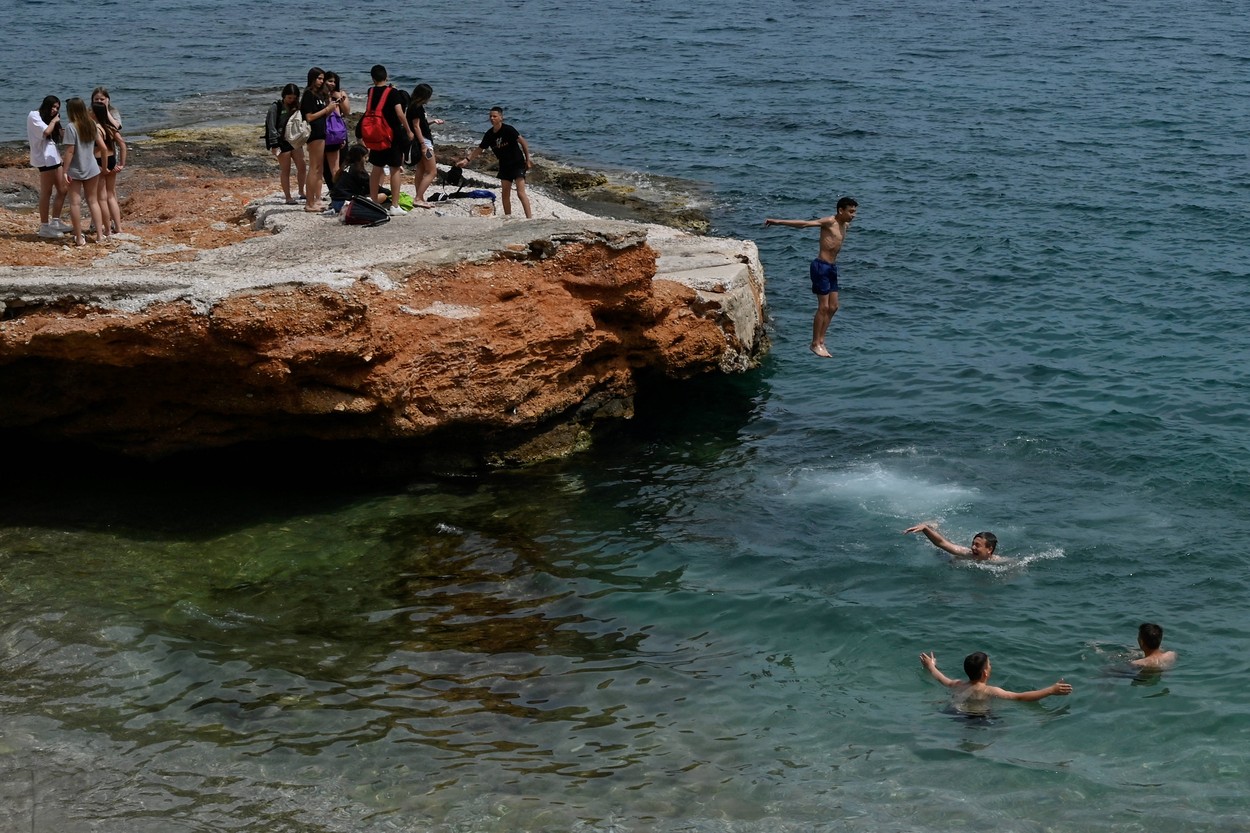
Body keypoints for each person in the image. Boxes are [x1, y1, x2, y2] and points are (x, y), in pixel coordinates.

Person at [763, 197, 859, 358]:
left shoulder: (845, 225)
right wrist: (777, 222)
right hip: (820, 267)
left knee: (833, 307)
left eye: (855, 212)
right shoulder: (829, 221)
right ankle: (815, 343)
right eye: (851, 212)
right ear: (840, 210)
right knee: (823, 307)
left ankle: (821, 341)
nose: (853, 215)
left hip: (832, 268)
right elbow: (804, 224)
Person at [920, 651, 1072, 711]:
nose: (991, 666)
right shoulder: (990, 691)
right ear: (986, 672)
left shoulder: (958, 684)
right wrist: (1051, 690)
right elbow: (1021, 697)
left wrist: (931, 666)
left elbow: (940, 678)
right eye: (990, 664)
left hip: (953, 713)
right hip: (978, 721)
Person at [456, 106, 532, 218]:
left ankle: (529, 218)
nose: (492, 118)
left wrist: (528, 159)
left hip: (517, 163)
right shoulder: (489, 134)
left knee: (520, 193)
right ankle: (508, 217)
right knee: (505, 194)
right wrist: (467, 160)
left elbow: (523, 142)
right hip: (504, 165)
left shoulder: (509, 129)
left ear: (501, 117)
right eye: (490, 116)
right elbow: (480, 149)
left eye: (495, 116)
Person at [364, 64, 412, 216]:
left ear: (372, 78)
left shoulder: (370, 91)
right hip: (391, 135)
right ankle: (395, 205)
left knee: (376, 167)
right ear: (387, 77)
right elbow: (399, 113)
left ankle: (373, 200)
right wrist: (408, 130)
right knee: (395, 168)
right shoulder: (393, 92)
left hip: (376, 134)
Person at [60, 97, 108, 246]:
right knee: (93, 201)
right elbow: (103, 146)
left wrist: (64, 171)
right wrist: (91, 155)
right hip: (92, 167)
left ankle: (80, 238)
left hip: (75, 169)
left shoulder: (71, 127)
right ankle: (100, 235)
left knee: (75, 203)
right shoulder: (91, 124)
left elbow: (70, 151)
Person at [27, 95, 70, 238]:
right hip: (44, 160)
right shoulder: (34, 115)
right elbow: (45, 132)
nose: (54, 110)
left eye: (57, 108)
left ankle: (55, 221)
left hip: (54, 158)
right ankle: (44, 226)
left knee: (63, 189)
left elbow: (60, 137)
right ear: (46, 105)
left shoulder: (51, 121)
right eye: (52, 106)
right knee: (46, 192)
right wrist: (54, 121)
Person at [300, 67, 339, 212]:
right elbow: (309, 117)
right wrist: (327, 110)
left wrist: (329, 109)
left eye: (322, 78)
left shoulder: (320, 95)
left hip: (322, 131)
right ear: (312, 78)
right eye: (319, 78)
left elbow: (323, 115)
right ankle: (309, 202)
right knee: (314, 167)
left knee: (318, 168)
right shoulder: (308, 95)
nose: (321, 81)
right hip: (313, 133)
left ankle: (315, 199)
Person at [265, 83, 307, 204]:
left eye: (294, 98)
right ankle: (288, 196)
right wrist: (274, 144)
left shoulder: (297, 107)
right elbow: (271, 126)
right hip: (280, 142)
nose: (291, 100)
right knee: (286, 169)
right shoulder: (275, 107)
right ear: (284, 96)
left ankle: (301, 191)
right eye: (289, 98)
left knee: (302, 166)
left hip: (295, 140)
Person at [91, 98, 127, 240]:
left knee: (101, 197)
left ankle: (107, 229)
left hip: (101, 162)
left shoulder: (96, 128)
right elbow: (122, 145)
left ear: (94, 114)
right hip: (112, 160)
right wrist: (121, 164)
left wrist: (103, 167)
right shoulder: (110, 127)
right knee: (111, 195)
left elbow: (102, 148)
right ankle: (118, 227)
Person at [407, 83, 442, 208]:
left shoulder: (412, 106)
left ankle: (420, 196)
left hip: (421, 140)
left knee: (421, 169)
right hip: (424, 142)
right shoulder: (417, 107)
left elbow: (420, 125)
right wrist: (423, 144)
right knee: (432, 171)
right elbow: (416, 127)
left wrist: (432, 122)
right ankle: (418, 198)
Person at [903, 522, 1004, 563]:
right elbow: (941, 543)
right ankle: (931, 527)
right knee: (938, 549)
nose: (972, 547)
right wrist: (925, 529)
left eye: (977, 545)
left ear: (989, 549)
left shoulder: (998, 561)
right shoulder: (965, 553)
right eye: (973, 544)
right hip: (947, 556)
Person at [322, 71, 351, 182]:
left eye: (335, 82)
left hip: (339, 131)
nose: (332, 84)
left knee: (341, 161)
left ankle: (338, 188)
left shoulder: (340, 93)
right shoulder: (321, 95)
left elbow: (347, 111)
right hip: (327, 132)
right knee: (327, 165)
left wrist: (339, 98)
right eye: (330, 81)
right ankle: (333, 188)